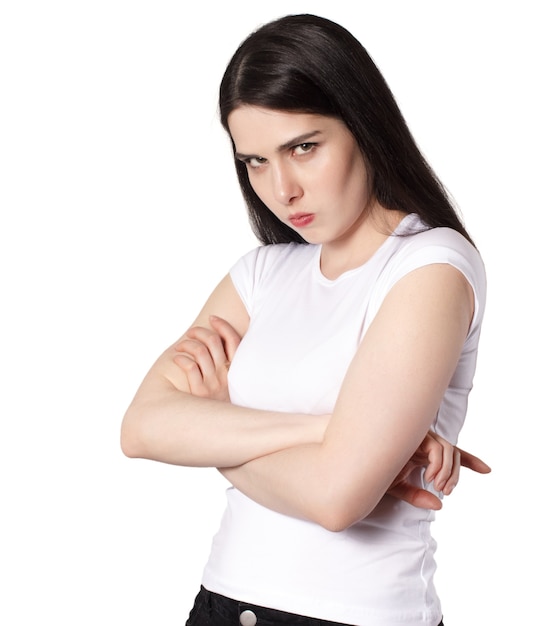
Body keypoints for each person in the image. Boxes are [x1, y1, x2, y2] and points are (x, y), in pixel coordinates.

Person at [121, 13, 490, 626]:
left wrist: (210, 427)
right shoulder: (263, 273)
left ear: (365, 125)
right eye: (255, 161)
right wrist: (333, 432)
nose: (281, 188)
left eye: (303, 148)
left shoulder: (430, 266)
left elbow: (335, 496)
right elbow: (140, 428)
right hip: (220, 603)